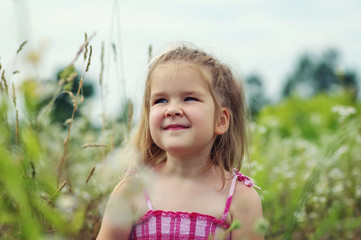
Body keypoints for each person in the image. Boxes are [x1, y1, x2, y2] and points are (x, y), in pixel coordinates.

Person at [97, 44, 264, 240]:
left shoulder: (240, 197)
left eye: (189, 98)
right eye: (160, 100)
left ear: (220, 120)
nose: (172, 109)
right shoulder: (132, 190)